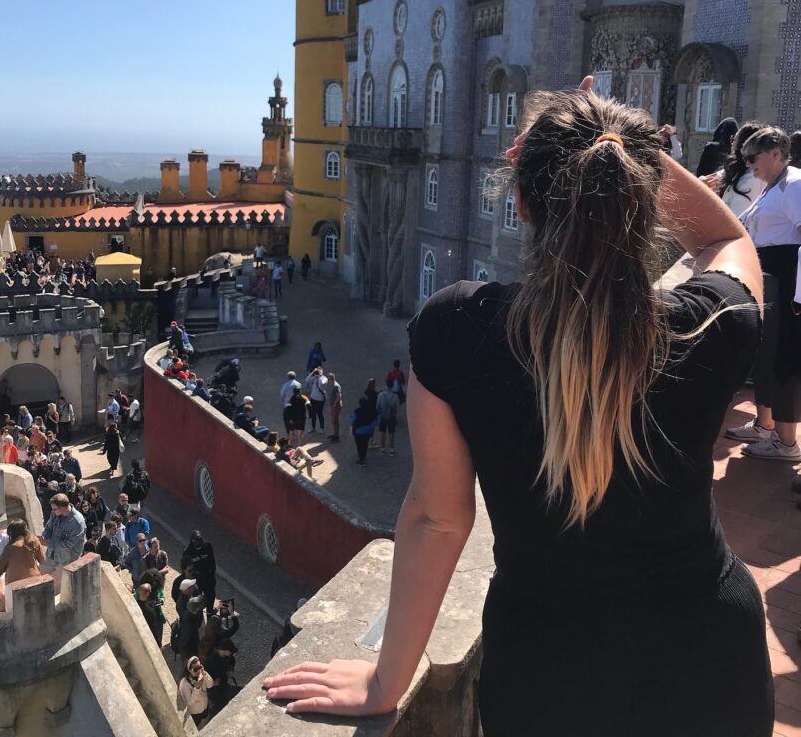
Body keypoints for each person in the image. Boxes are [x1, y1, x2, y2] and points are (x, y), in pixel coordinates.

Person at [262, 82, 773, 737]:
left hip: (546, 672)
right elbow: (724, 235)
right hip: (709, 662)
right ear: (641, 199)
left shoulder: (455, 328)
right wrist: (631, 145)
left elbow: (435, 521)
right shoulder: (712, 325)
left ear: (522, 205)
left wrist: (387, 677)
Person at [726, 126, 801, 460]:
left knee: (781, 356)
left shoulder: (794, 184)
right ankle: (765, 425)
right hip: (768, 278)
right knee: (765, 354)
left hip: (785, 283)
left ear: (775, 153)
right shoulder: (772, 187)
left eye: (753, 158)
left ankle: (786, 442)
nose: (749, 164)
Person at [0, 519, 44, 609]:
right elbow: (43, 561)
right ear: (25, 529)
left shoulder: (9, 548)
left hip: (16, 586)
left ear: (11, 533)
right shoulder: (34, 541)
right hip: (35, 579)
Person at [40, 494, 86, 587]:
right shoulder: (55, 513)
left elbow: (68, 544)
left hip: (66, 561)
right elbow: (49, 527)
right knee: (40, 580)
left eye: (54, 509)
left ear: (62, 508)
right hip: (51, 556)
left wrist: (49, 544)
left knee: (58, 588)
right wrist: (43, 537)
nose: (52, 511)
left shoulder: (78, 522)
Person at [183, 531, 217, 619]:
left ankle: (210, 620)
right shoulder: (188, 552)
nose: (199, 543)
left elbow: (212, 562)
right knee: (197, 602)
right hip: (196, 580)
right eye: (196, 541)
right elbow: (185, 568)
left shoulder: (207, 546)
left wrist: (212, 575)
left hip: (208, 578)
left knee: (210, 600)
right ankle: (198, 619)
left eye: (200, 540)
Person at [179, 656, 214, 729]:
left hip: (204, 708)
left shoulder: (202, 674)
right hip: (195, 713)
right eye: (196, 669)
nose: (198, 671)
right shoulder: (184, 683)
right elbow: (189, 703)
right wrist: (197, 688)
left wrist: (205, 674)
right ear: (189, 670)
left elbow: (210, 685)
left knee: (204, 725)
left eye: (200, 667)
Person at [349, 397, 377, 467]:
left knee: (359, 445)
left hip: (359, 431)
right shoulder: (371, 410)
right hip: (368, 430)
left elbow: (352, 421)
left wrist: (351, 431)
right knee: (365, 443)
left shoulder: (357, 411)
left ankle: (361, 459)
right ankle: (364, 456)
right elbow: (375, 420)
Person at [376, 384, 400, 456]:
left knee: (382, 432)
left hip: (383, 416)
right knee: (391, 433)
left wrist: (379, 412)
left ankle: (383, 449)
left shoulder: (381, 395)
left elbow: (378, 406)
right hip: (391, 417)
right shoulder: (395, 396)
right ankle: (391, 449)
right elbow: (397, 408)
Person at [306, 367, 327, 434]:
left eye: (316, 373)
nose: (315, 375)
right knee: (313, 414)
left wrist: (320, 376)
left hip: (320, 399)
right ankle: (313, 428)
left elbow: (322, 383)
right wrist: (312, 373)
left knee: (320, 414)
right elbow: (307, 380)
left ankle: (322, 428)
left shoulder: (324, 378)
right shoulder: (314, 378)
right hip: (313, 398)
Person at [281, 371, 302, 436]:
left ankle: (290, 433)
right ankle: (296, 430)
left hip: (287, 404)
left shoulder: (285, 385)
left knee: (287, 419)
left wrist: (284, 400)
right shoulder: (298, 384)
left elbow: (282, 394)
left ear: (288, 377)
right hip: (296, 405)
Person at [324, 373, 343, 441]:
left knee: (335, 420)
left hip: (336, 406)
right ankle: (335, 434)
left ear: (332, 379)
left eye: (329, 379)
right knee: (334, 421)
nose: (328, 381)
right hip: (335, 406)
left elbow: (338, 397)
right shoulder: (335, 385)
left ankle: (336, 436)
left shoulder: (336, 386)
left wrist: (334, 405)